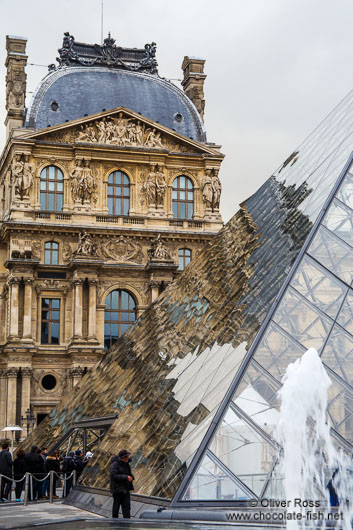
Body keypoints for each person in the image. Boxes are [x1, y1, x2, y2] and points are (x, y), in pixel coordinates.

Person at [110, 449, 134, 518]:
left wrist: (131, 477)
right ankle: (115, 522)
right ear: (122, 457)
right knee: (116, 507)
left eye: (128, 456)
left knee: (127, 507)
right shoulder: (115, 465)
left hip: (125, 489)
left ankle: (126, 522)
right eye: (126, 457)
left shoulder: (127, 465)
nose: (127, 458)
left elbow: (130, 474)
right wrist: (126, 477)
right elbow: (114, 476)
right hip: (117, 490)